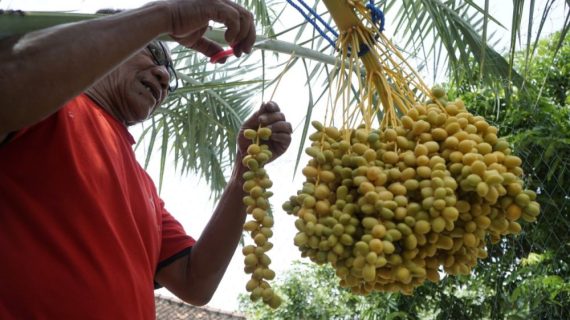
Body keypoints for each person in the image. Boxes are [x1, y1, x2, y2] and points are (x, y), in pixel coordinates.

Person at [0, 0, 292, 318]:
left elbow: (195, 281)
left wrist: (244, 166)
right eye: (152, 53)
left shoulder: (143, 187)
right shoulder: (43, 106)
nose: (164, 77)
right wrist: (165, 16)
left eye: (170, 75)